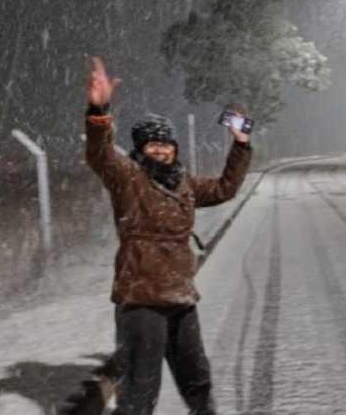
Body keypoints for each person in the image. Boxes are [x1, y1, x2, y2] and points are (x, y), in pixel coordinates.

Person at [83, 56, 252, 414]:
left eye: (166, 143)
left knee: (197, 377)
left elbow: (224, 189)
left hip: (181, 295)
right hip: (142, 298)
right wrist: (99, 111)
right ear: (140, 149)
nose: (161, 148)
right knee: (141, 389)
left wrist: (240, 145)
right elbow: (99, 153)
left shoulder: (184, 182)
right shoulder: (128, 178)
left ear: (174, 147)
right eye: (152, 144)